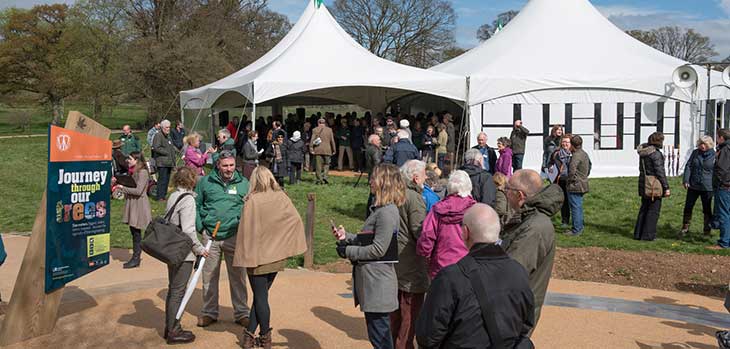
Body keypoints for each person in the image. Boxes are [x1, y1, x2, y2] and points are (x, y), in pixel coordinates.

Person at [416, 204, 535, 348]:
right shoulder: (518, 272)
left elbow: (427, 336)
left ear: (465, 232)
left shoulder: (450, 277)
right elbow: (526, 323)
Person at [332, 164, 405, 349]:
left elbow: (378, 249)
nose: (370, 181)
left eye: (373, 178)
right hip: (373, 284)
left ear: (384, 182)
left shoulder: (387, 213)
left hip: (378, 285)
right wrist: (346, 236)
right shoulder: (381, 210)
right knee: (378, 336)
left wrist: (348, 251)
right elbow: (368, 239)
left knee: (380, 339)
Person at [234, 166, 307, 349]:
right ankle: (249, 337)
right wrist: (283, 242)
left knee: (260, 298)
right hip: (276, 256)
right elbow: (295, 220)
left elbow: (246, 232)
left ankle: (264, 337)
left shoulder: (252, 201)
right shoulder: (281, 197)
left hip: (257, 258)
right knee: (261, 297)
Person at [194, 151, 251, 328]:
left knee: (238, 276)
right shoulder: (205, 182)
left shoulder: (244, 183)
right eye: (225, 165)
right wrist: (201, 227)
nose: (228, 169)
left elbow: (250, 207)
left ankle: (242, 312)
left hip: (234, 236)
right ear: (218, 165)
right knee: (209, 275)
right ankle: (209, 312)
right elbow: (196, 205)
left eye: (231, 165)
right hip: (210, 236)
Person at [501, 169, 562, 329]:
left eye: (508, 189)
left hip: (516, 314)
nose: (505, 192)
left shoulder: (535, 228)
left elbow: (512, 272)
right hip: (513, 307)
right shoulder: (527, 218)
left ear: (519, 195)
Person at [163, 167, 207, 344]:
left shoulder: (174, 196)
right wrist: (199, 248)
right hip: (183, 252)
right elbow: (188, 230)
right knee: (178, 291)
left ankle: (170, 326)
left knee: (173, 288)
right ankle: (174, 329)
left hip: (171, 249)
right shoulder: (188, 200)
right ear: (192, 180)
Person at [392, 160, 428, 349]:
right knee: (410, 313)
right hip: (411, 263)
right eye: (424, 174)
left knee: (396, 313)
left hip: (395, 260)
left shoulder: (395, 193)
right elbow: (420, 231)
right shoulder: (414, 198)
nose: (426, 177)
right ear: (415, 177)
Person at [417, 170, 476, 279]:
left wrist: (425, 255)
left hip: (441, 265)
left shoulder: (438, 208)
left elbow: (427, 235)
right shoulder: (475, 209)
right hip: (467, 265)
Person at [117, 152, 152, 269]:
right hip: (133, 203)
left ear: (137, 160)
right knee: (134, 231)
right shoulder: (133, 171)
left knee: (136, 232)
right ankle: (136, 257)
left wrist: (123, 188)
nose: (128, 160)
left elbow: (138, 191)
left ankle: (136, 258)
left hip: (139, 205)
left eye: (130, 159)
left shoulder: (142, 172)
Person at [634, 132, 670, 241]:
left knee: (644, 208)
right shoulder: (655, 154)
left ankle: (638, 233)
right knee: (653, 210)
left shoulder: (644, 152)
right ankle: (648, 235)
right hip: (654, 184)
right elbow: (659, 171)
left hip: (644, 181)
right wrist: (666, 187)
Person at [679, 136, 716, 238]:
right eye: (700, 144)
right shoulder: (695, 153)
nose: (702, 146)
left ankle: (707, 230)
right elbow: (689, 166)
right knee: (688, 207)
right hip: (694, 185)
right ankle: (685, 227)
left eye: (705, 144)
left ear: (709, 145)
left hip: (707, 187)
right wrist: (686, 179)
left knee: (707, 209)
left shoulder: (715, 155)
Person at [565, 135, 590, 236]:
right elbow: (590, 166)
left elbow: (571, 171)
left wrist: (570, 181)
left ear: (572, 144)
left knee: (575, 207)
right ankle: (579, 227)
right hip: (582, 183)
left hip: (575, 185)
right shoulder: (584, 154)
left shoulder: (575, 155)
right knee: (578, 207)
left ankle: (576, 230)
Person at [712, 129, 730, 249]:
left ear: (721, 138)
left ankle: (724, 242)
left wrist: (720, 183)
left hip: (725, 186)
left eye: (717, 137)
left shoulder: (725, 150)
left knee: (724, 214)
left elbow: (722, 170)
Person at [550, 134, 573, 228]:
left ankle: (577, 221)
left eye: (567, 142)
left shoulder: (574, 153)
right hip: (560, 179)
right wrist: (550, 167)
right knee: (564, 201)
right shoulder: (556, 153)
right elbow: (549, 163)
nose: (565, 144)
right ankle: (565, 220)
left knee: (573, 202)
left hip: (571, 180)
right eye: (563, 141)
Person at [152, 119, 176, 201]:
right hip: (162, 162)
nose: (168, 129)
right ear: (162, 127)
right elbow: (156, 147)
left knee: (166, 180)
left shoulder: (168, 136)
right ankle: (159, 196)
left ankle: (164, 195)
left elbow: (172, 148)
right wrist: (166, 152)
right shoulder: (158, 135)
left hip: (169, 162)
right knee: (162, 180)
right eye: (166, 127)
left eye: (169, 127)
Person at [310, 118, 336, 185]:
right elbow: (332, 141)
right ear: (325, 123)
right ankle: (325, 177)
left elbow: (312, 140)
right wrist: (334, 149)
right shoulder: (329, 130)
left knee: (318, 166)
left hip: (318, 150)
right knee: (327, 164)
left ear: (318, 123)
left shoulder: (315, 130)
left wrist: (311, 148)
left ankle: (319, 179)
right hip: (327, 150)